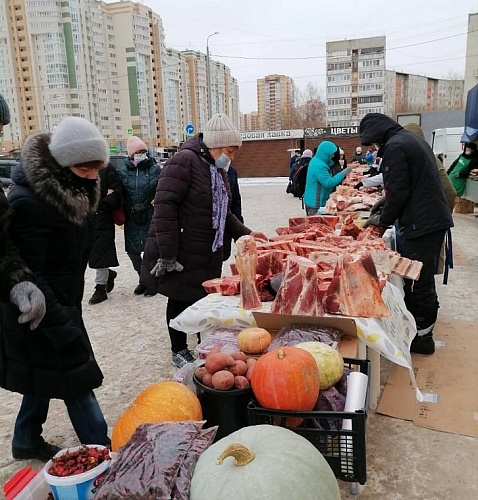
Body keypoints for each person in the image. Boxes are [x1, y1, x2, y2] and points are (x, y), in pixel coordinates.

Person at [2, 116, 110, 462]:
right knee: (76, 377)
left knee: (44, 376)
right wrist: (62, 325)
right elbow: (32, 272)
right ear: (62, 165)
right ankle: (105, 452)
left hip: (63, 302)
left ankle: (25, 439)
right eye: (85, 169)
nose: (94, 176)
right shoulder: (30, 203)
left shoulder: (75, 190)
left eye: (98, 168)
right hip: (39, 309)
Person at [140, 113, 267, 368]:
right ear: (216, 144)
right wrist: (167, 254)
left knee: (203, 300)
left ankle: (204, 346)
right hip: (183, 250)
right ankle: (178, 348)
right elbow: (164, 207)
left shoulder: (215, 168)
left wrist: (247, 234)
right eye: (231, 150)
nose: (232, 156)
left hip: (207, 250)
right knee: (179, 298)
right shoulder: (184, 161)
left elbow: (225, 212)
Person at [360, 113, 454, 356]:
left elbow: (400, 191)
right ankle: (418, 329)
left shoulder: (395, 147)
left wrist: (382, 220)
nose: (372, 148)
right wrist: (385, 202)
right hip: (427, 220)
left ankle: (423, 337)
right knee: (418, 278)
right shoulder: (407, 140)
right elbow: (405, 186)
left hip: (422, 224)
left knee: (418, 280)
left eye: (372, 143)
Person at [119, 136, 160, 296]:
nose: (141, 154)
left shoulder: (155, 169)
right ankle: (143, 279)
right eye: (138, 152)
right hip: (132, 216)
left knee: (151, 250)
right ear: (131, 155)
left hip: (150, 214)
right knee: (133, 251)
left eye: (143, 151)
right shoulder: (123, 172)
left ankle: (152, 282)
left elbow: (164, 186)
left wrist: (159, 198)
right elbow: (118, 190)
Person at [87, 162, 123, 304]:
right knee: (89, 251)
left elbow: (117, 190)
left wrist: (104, 204)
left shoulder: (107, 168)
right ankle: (108, 274)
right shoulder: (76, 167)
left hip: (102, 217)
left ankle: (100, 287)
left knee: (100, 251)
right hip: (84, 217)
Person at [303, 141, 353, 215]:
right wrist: (343, 173)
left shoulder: (318, 160)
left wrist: (337, 163)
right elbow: (328, 183)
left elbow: (329, 163)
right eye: (332, 154)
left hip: (314, 199)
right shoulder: (319, 165)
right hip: (316, 202)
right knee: (317, 224)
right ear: (326, 153)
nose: (332, 155)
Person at [222, 163, 244, 261]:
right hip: (204, 233)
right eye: (230, 151)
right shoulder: (203, 169)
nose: (232, 157)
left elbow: (236, 203)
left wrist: (239, 232)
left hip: (227, 226)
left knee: (223, 255)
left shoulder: (231, 171)